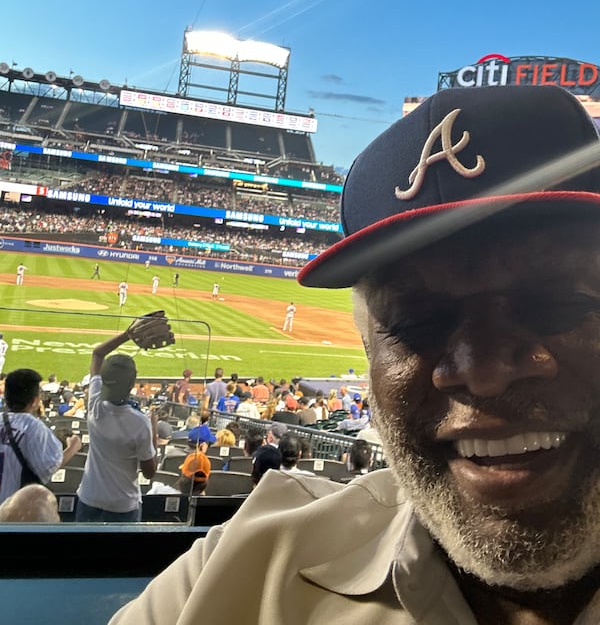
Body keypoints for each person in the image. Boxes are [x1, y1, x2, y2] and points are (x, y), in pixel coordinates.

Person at [110, 80, 600, 623]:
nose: (481, 372)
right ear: (369, 351)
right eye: (417, 319)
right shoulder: (235, 569)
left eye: (558, 300)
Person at [75, 312, 173, 522]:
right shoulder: (140, 422)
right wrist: (153, 427)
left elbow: (97, 354)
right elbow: (150, 472)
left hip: (89, 498)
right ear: (131, 385)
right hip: (123, 506)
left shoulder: (95, 405)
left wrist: (128, 334)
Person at [0, 368, 81, 503]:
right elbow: (50, 467)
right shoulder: (34, 427)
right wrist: (73, 447)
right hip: (12, 510)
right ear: (35, 401)